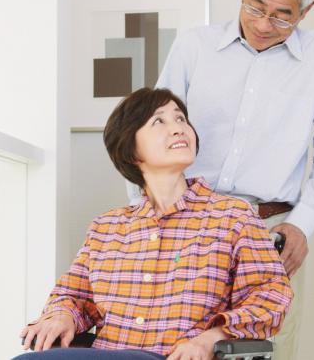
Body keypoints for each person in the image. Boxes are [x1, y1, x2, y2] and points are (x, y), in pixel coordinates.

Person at [153, 0, 314, 358]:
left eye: (282, 16)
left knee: (265, 348)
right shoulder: (195, 48)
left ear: (307, 9)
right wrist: (156, 218)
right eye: (254, 6)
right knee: (177, 347)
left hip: (269, 233)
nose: (264, 23)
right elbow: (151, 136)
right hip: (186, 225)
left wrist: (303, 223)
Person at [19, 88, 291, 360]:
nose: (178, 129)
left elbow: (270, 297)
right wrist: (61, 316)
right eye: (159, 121)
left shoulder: (234, 216)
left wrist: (213, 337)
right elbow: (71, 296)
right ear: (130, 151)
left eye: (181, 119)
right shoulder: (106, 228)